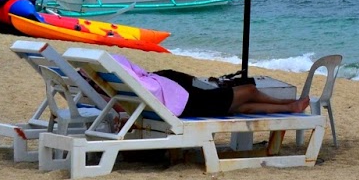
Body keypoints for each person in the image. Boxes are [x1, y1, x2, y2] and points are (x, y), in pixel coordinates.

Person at [113, 56, 309, 118]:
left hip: (185, 103)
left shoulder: (119, 81)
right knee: (249, 90)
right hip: (189, 104)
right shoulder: (140, 84)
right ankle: (286, 101)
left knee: (241, 107)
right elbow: (150, 88)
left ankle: (290, 107)